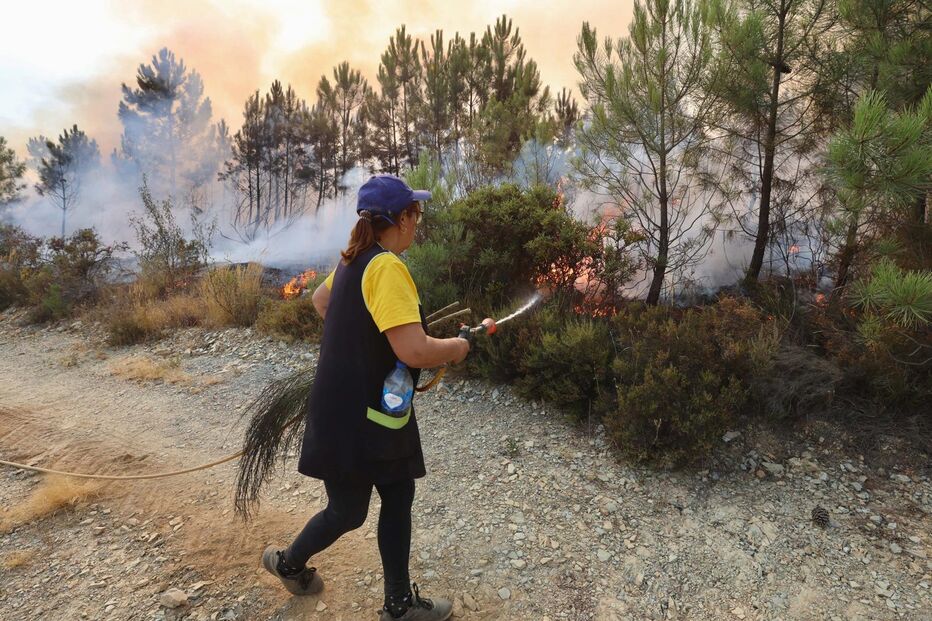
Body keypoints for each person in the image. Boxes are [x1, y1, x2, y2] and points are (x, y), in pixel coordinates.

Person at [261, 174, 470, 621]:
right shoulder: (387, 267)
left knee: (349, 509)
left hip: (338, 410)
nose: (418, 223)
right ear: (402, 218)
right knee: (393, 494)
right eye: (416, 214)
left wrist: (358, 344)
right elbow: (414, 351)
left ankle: (290, 564)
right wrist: (457, 347)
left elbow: (321, 302)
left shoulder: (352, 260)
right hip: (371, 418)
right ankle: (398, 606)